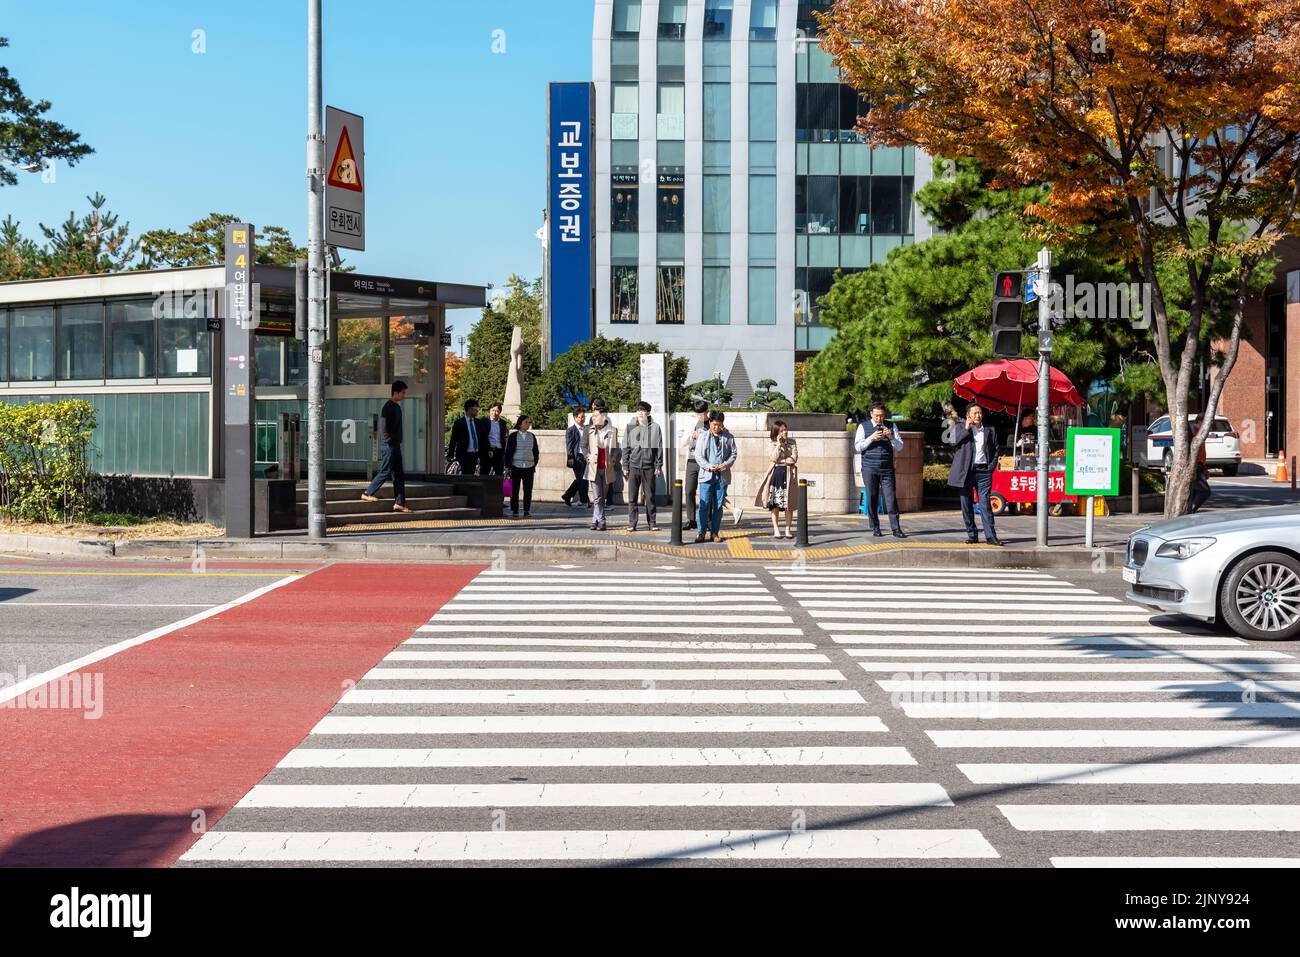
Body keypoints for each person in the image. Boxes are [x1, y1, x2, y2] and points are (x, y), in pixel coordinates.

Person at [947, 403, 1003, 546]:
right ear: (968, 416)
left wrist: (990, 467)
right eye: (975, 413)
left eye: (979, 413)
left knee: (985, 504)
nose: (978, 415)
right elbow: (952, 443)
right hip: (965, 472)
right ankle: (972, 534)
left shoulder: (990, 430)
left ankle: (991, 536)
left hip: (984, 471)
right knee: (966, 504)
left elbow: (996, 450)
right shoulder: (960, 427)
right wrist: (966, 428)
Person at [855, 403, 906, 538]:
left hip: (887, 468)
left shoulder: (891, 426)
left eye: (882, 416)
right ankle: (875, 527)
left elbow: (900, 447)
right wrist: (871, 438)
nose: (879, 419)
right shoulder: (863, 426)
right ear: (871, 414)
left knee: (891, 498)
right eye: (877, 416)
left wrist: (891, 438)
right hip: (869, 468)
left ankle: (896, 528)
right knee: (872, 497)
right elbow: (858, 447)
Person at [361, 380, 411, 513]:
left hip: (395, 445)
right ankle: (367, 492)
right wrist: (388, 441)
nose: (404, 395)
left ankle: (399, 503)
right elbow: (383, 426)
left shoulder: (397, 407)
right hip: (389, 445)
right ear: (395, 393)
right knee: (386, 470)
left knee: (399, 475)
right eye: (403, 393)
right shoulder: (388, 407)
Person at [695, 411, 738, 543]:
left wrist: (725, 465)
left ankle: (714, 533)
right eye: (714, 424)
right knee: (704, 504)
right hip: (707, 475)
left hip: (722, 475)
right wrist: (708, 466)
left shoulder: (729, 437)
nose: (716, 427)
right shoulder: (703, 437)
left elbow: (734, 454)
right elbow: (698, 456)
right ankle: (701, 532)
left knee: (718, 506)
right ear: (710, 423)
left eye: (719, 425)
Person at [622, 400, 663, 532]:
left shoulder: (655, 427)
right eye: (638, 410)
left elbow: (659, 448)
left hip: (649, 466)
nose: (640, 412)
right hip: (633, 466)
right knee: (632, 497)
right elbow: (625, 447)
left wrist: (658, 465)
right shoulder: (630, 426)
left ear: (648, 412)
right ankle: (632, 523)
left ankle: (652, 523)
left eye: (643, 410)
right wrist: (625, 465)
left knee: (650, 497)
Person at [755, 419, 798, 539]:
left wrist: (783, 460)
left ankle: (788, 529)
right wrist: (779, 445)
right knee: (775, 505)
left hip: (789, 475)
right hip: (776, 474)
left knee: (789, 504)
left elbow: (794, 459)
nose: (785, 432)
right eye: (782, 430)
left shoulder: (792, 442)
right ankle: (776, 529)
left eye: (786, 429)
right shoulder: (772, 443)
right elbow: (773, 458)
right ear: (777, 432)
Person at [585, 409, 619, 531]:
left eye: (595, 415)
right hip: (593, 467)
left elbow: (615, 448)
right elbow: (583, 446)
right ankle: (602, 521)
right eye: (592, 416)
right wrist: (587, 456)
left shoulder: (612, 430)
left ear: (603, 417)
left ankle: (595, 520)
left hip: (607, 468)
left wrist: (614, 459)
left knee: (602, 496)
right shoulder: (588, 430)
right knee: (597, 497)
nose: (593, 418)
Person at [680, 401, 709, 531]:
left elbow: (715, 439)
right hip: (691, 460)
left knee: (706, 492)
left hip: (706, 462)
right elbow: (683, 442)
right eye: (697, 414)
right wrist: (690, 436)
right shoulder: (692, 423)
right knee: (689, 490)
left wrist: (701, 435)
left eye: (701, 414)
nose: (699, 416)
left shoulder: (711, 423)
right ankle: (691, 519)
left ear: (706, 411)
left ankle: (706, 520)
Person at [504, 414, 539, 518]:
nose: (528, 424)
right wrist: (507, 465)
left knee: (528, 490)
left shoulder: (532, 436)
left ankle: (527, 510)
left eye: (529, 422)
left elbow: (535, 451)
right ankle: (515, 510)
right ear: (520, 424)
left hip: (529, 466)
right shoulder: (513, 436)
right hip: (516, 466)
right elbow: (508, 451)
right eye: (526, 422)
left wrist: (534, 463)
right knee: (515, 489)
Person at [562, 406, 591, 508]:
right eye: (580, 417)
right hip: (577, 458)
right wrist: (570, 458)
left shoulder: (587, 428)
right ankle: (584, 501)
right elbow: (569, 445)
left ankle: (568, 495)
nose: (582, 419)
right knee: (583, 479)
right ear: (575, 417)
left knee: (581, 479)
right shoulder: (571, 430)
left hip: (586, 457)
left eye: (583, 417)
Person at [448, 399, 484, 475]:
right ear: (469, 409)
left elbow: (482, 437)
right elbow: (453, 439)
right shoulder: (459, 423)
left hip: (474, 454)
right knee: (466, 474)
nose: (477, 411)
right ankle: (464, 487)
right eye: (475, 409)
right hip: (464, 453)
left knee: (471, 473)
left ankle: (469, 486)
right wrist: (450, 454)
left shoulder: (478, 422)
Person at [1188, 422, 1212, 513]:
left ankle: (1190, 510)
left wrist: (1204, 466)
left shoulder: (1200, 432)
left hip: (1199, 464)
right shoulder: (1194, 430)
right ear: (1200, 421)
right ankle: (1191, 510)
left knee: (1195, 491)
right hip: (1195, 465)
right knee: (1205, 491)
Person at [481, 402, 509, 477]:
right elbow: (483, 437)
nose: (494, 413)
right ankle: (485, 489)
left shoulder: (503, 423)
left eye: (497, 411)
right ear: (489, 410)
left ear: (500, 412)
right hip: (488, 451)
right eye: (492, 410)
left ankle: (500, 489)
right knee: (484, 473)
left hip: (499, 451)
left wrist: (504, 451)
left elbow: (504, 437)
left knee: (500, 474)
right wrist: (488, 449)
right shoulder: (484, 421)